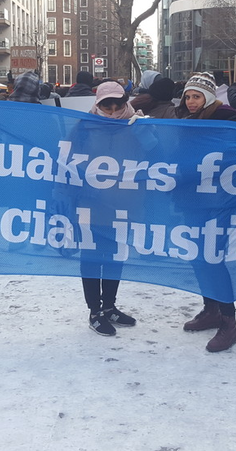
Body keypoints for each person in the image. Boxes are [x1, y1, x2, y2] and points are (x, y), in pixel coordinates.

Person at [179, 72, 236, 352]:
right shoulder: (187, 122)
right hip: (193, 200)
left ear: (208, 97)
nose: (191, 101)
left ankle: (229, 323)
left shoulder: (227, 119)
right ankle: (211, 309)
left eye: (197, 96)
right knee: (198, 256)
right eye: (188, 96)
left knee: (213, 259)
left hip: (218, 201)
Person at [81, 81, 140, 336]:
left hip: (123, 203)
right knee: (94, 255)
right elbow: (68, 160)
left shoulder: (135, 124)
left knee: (117, 254)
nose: (114, 110)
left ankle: (110, 307)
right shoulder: (85, 127)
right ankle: (95, 311)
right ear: (99, 104)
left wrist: (146, 131)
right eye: (108, 105)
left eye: (118, 104)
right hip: (92, 204)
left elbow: (155, 154)